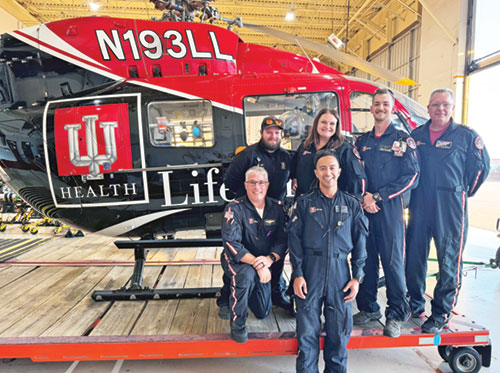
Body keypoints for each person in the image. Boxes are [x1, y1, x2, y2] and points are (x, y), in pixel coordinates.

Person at [405, 88, 490, 334]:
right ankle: (415, 304)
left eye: (445, 105)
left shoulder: (466, 136)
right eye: (435, 105)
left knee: (449, 259)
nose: (440, 109)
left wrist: (461, 192)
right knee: (414, 257)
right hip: (421, 204)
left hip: (450, 206)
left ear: (451, 108)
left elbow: (480, 168)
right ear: (428, 108)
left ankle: (441, 312)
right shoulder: (417, 135)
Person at [288, 150, 368, 373]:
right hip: (310, 274)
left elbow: (361, 243)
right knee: (306, 337)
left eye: (332, 168)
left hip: (340, 274)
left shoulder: (352, 205)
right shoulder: (304, 204)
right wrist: (298, 274)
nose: (328, 172)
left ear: (339, 171)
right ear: (316, 172)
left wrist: (357, 277)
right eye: (322, 168)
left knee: (339, 337)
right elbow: (293, 241)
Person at [353, 88, 419, 338]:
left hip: (389, 208)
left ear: (392, 108)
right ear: (371, 109)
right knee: (366, 260)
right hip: (364, 209)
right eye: (376, 104)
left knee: (393, 263)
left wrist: (378, 196)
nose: (380, 108)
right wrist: (363, 198)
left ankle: (396, 314)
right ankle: (368, 308)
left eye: (385, 104)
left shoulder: (403, 140)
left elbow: (411, 176)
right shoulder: (362, 142)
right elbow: (354, 174)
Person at [220, 116, 292, 313]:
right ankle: (226, 297)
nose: (273, 135)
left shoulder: (286, 157)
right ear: (261, 133)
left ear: (281, 135)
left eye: (277, 132)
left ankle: (276, 293)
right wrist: (247, 203)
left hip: (274, 213)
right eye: (269, 132)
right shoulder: (248, 155)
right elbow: (231, 181)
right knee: (237, 255)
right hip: (248, 214)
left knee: (275, 255)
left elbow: (296, 178)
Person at [220, 166, 287, 343]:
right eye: (252, 182)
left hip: (265, 261)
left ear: (267, 184)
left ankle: (239, 291)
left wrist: (269, 260)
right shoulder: (234, 208)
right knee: (246, 276)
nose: (257, 187)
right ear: (245, 184)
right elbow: (231, 244)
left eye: (261, 182)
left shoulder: (278, 208)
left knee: (262, 312)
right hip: (239, 260)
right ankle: (238, 323)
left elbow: (282, 240)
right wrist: (258, 264)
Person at [291, 108, 366, 200]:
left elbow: (357, 180)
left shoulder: (345, 149)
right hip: (304, 204)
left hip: (332, 206)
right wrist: (294, 179)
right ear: (316, 124)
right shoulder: (305, 146)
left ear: (336, 127)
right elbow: (294, 168)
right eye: (323, 122)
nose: (327, 126)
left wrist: (354, 202)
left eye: (332, 124)